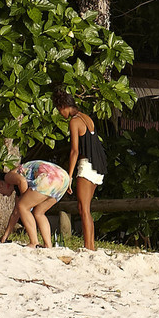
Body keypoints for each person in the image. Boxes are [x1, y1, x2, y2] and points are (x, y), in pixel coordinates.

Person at [56, 98, 107, 252]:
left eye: (59, 109)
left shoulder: (74, 121)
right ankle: (90, 246)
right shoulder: (87, 118)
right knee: (84, 208)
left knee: (83, 209)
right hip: (99, 165)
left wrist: (69, 176)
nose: (60, 113)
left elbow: (74, 151)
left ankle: (89, 247)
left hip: (87, 165)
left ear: (64, 106)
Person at [0, 154, 71, 248]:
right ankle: (48, 245)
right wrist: (5, 236)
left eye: (0, 191)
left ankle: (34, 242)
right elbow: (15, 214)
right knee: (39, 212)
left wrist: (24, 203)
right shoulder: (17, 188)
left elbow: (22, 181)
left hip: (48, 178)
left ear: (1, 183)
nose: (3, 195)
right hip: (63, 179)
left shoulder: (8, 177)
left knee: (23, 206)